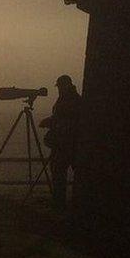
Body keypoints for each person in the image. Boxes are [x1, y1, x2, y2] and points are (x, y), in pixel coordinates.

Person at [41, 75, 81, 209]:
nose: (58, 89)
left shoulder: (70, 100)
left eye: (59, 86)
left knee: (58, 172)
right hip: (65, 142)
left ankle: (59, 202)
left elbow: (68, 121)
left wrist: (52, 122)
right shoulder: (71, 99)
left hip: (66, 143)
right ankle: (62, 201)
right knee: (60, 172)